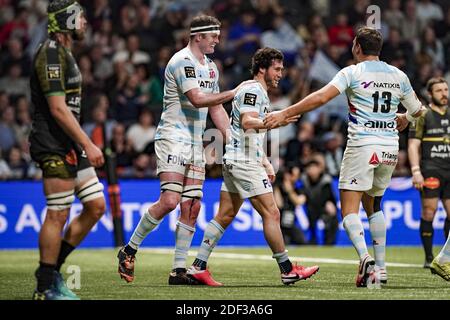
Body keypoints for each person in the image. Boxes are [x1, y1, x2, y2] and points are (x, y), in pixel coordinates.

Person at [264, 27, 425, 287]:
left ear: (357, 47)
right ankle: (381, 269)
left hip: (363, 145)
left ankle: (365, 258)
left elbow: (320, 97)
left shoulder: (352, 72)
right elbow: (419, 110)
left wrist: (285, 113)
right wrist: (404, 118)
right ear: (379, 49)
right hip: (390, 148)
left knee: (349, 208)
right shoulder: (399, 75)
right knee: (374, 205)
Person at [117, 15, 248, 285]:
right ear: (198, 36)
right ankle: (129, 249)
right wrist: (235, 92)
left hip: (195, 141)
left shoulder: (211, 68)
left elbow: (215, 108)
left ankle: (177, 271)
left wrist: (233, 139)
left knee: (192, 205)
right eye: (213, 35)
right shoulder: (181, 61)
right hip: (173, 137)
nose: (217, 40)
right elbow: (198, 100)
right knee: (170, 201)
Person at [186, 47, 319, 286]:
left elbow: (246, 133)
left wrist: (265, 160)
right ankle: (287, 269)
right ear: (262, 69)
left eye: (281, 69)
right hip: (243, 163)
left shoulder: (256, 91)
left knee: (225, 215)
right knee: (272, 213)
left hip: (238, 159)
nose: (280, 74)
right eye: (276, 69)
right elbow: (248, 122)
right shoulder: (253, 89)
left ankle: (198, 267)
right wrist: (273, 123)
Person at [29, 0, 106, 300]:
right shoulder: (50, 53)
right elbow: (58, 109)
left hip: (70, 143)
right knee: (58, 213)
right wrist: (88, 142)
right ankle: (44, 287)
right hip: (53, 143)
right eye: (81, 17)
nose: (85, 21)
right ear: (67, 21)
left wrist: (81, 143)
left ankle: (50, 271)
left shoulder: (65, 53)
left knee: (96, 206)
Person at [408, 77, 450, 268]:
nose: (444, 94)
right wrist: (416, 171)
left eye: (446, 90)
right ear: (430, 94)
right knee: (429, 212)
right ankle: (428, 257)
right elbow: (413, 145)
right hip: (431, 169)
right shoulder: (423, 115)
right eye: (439, 90)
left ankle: (445, 257)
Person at [301, 157, 339, 245]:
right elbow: (302, 193)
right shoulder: (304, 179)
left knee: (331, 213)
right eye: (310, 168)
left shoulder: (326, 180)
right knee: (310, 212)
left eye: (314, 168)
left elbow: (327, 197)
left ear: (319, 169)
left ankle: (329, 241)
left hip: (324, 206)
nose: (312, 170)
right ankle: (312, 240)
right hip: (311, 206)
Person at [273, 165, 307, 245]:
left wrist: (290, 191)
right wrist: (277, 188)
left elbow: (299, 201)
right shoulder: (278, 187)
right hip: (279, 224)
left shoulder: (298, 188)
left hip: (291, 223)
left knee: (302, 241)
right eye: (292, 174)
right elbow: (279, 204)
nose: (295, 177)